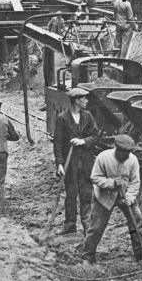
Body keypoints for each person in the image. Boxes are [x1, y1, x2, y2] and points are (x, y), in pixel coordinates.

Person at [82, 134, 142, 263]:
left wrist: (130, 197)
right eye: (124, 152)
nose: (126, 155)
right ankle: (88, 255)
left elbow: (135, 182)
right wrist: (111, 183)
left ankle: (141, 252)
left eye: (129, 152)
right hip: (104, 197)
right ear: (117, 148)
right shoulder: (103, 157)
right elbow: (95, 177)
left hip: (125, 195)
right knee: (97, 227)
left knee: (136, 221)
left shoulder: (133, 160)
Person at [53, 87, 103, 234]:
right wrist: (59, 164)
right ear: (76, 101)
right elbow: (58, 143)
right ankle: (70, 224)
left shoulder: (88, 116)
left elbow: (96, 136)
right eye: (84, 99)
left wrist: (84, 141)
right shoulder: (62, 118)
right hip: (70, 163)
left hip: (86, 162)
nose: (87, 101)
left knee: (87, 194)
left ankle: (87, 224)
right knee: (71, 194)